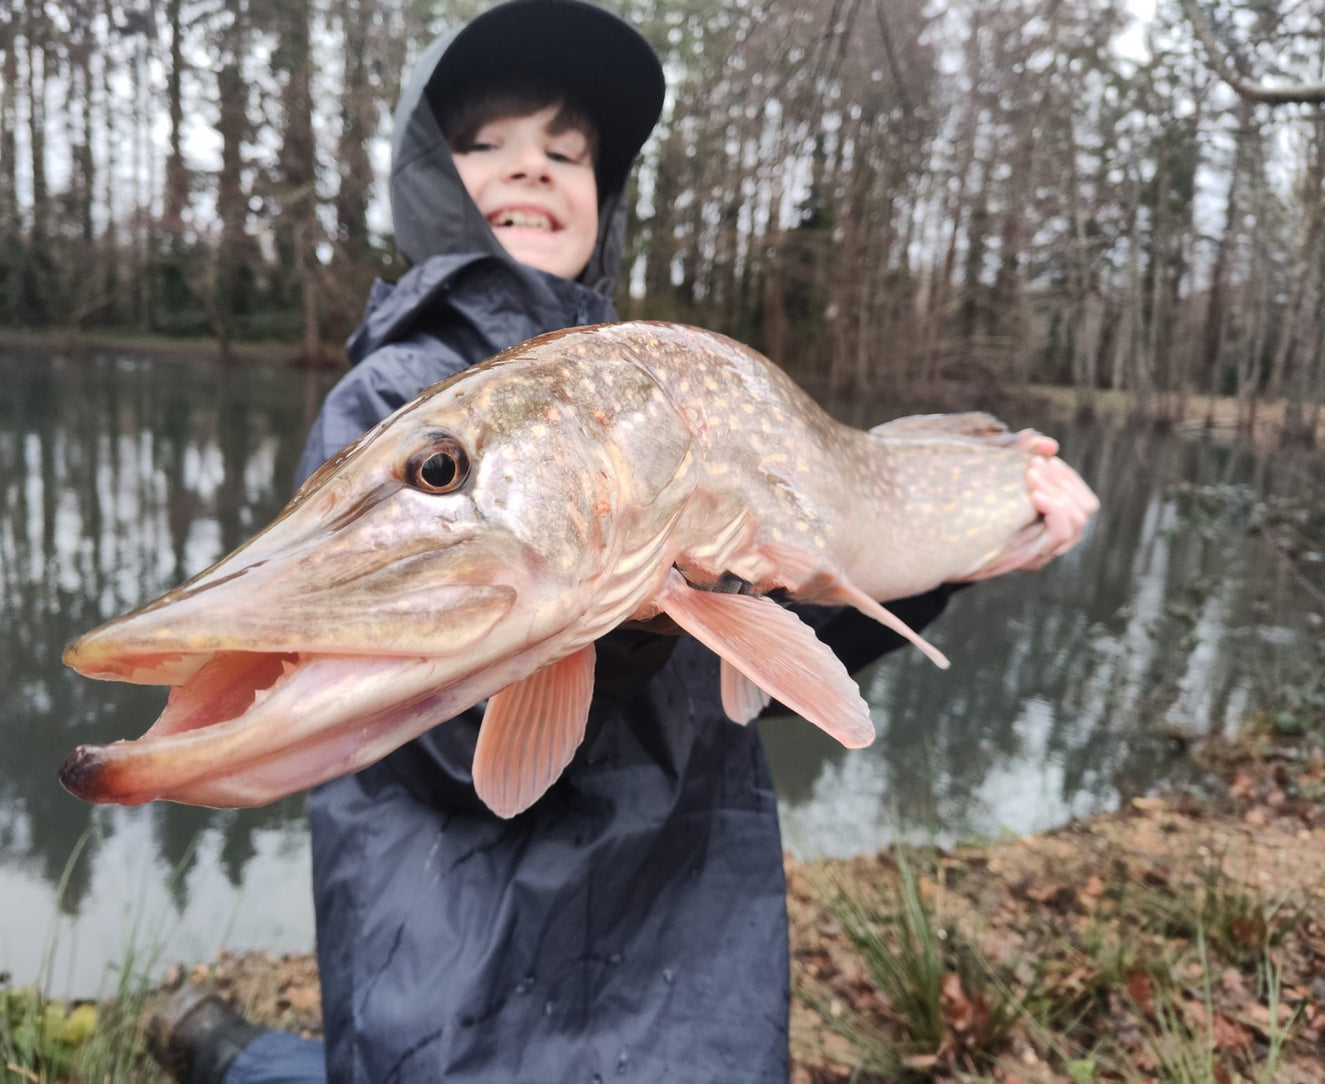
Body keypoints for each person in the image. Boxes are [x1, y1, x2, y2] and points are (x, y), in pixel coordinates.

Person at [147, 2, 1097, 1081]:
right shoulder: (394, 394)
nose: (531, 171)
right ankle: (228, 1054)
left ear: (606, 192)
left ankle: (223, 1052)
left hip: (682, 929)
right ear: (428, 177)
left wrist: (965, 552)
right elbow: (454, 752)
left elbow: (785, 648)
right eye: (486, 146)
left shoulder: (655, 388)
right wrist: (631, 627)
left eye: (566, 152)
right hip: (467, 946)